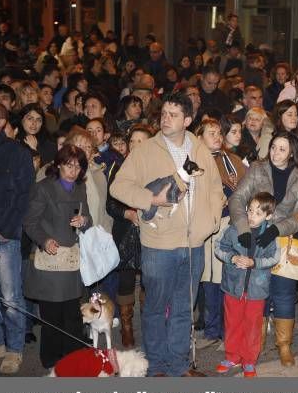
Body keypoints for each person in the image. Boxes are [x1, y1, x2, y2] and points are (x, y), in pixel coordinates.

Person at [110, 92, 225, 377]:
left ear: (188, 119)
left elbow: (214, 187)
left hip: (193, 244)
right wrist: (151, 200)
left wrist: (209, 222)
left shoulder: (199, 149)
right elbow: (118, 188)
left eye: (173, 115)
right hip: (159, 244)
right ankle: (157, 366)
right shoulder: (145, 151)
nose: (165, 119)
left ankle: (180, 365)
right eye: (163, 113)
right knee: (156, 308)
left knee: (185, 308)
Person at [229, 131, 298, 367]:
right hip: (255, 239)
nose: (276, 152)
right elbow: (237, 199)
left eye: (282, 149)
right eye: (274, 147)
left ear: (292, 152)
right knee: (257, 292)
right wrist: (244, 227)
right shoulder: (257, 168)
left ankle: (284, 346)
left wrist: (277, 229)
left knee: (284, 294)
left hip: (284, 242)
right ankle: (257, 342)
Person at [23, 144, 92, 369]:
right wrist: (45, 240)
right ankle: (51, 360)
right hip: (50, 260)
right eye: (68, 165)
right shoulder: (43, 188)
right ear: (59, 165)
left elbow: (88, 217)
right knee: (52, 315)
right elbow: (30, 222)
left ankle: (73, 356)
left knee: (72, 313)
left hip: (71, 258)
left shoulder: (80, 188)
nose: (73, 171)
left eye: (78, 166)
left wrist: (84, 221)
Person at [215, 192, 280, 378]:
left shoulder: (270, 234)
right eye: (250, 210)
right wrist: (233, 257)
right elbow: (220, 247)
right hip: (233, 286)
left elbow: (274, 257)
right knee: (232, 322)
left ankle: (249, 360)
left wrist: (255, 263)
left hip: (256, 289)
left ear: (268, 216)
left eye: (258, 213)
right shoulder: (235, 227)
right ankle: (232, 356)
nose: (251, 216)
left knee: (252, 325)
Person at [195, 119, 246, 350]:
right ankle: (211, 330)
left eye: (219, 133)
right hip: (201, 225)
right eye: (211, 133)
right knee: (208, 279)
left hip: (227, 224)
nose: (217, 137)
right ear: (198, 138)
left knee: (226, 278)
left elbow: (245, 190)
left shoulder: (232, 161)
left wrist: (232, 200)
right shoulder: (192, 162)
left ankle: (228, 332)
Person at [105, 124, 156, 348]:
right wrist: (126, 212)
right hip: (125, 231)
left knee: (148, 280)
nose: (135, 145)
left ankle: (148, 326)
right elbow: (110, 204)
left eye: (140, 141)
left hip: (151, 231)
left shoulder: (158, 168)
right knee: (125, 281)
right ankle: (126, 328)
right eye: (132, 141)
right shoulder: (119, 167)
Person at [0, 103, 34, 374]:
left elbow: (24, 196)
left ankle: (14, 349)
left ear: (1, 122)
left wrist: (5, 229)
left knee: (10, 296)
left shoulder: (17, 153)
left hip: (5, 234)